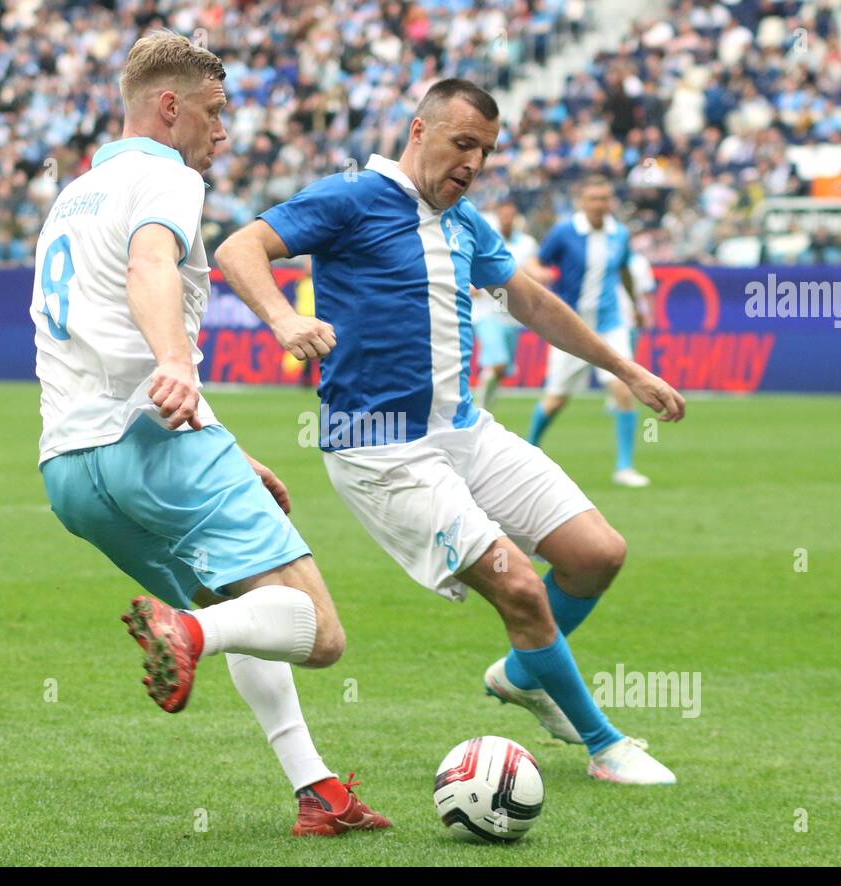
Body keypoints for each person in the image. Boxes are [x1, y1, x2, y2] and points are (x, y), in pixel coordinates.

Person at [217, 79, 686, 785]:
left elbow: (530, 299)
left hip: (464, 431)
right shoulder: (352, 197)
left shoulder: (467, 221)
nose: (473, 162)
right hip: (381, 448)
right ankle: (605, 745)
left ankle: (526, 675)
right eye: (462, 142)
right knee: (521, 589)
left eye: (486, 151)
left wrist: (626, 367)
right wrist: (284, 318)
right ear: (418, 131)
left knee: (597, 553)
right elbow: (239, 247)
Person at [30, 32, 389, 836]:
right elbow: (150, 267)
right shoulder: (167, 176)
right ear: (169, 108)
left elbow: (93, 331)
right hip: (153, 440)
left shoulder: (74, 195)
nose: (222, 134)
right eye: (214, 114)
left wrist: (226, 446)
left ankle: (317, 791)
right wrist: (175, 367)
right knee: (315, 631)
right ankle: (185, 632)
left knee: (245, 603)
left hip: (70, 471)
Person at [528, 175, 655, 487]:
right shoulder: (565, 232)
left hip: (610, 323)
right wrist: (538, 273)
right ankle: (528, 451)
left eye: (605, 198)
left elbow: (623, 269)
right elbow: (536, 261)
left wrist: (636, 306)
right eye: (594, 198)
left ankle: (624, 466)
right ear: (582, 202)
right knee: (556, 400)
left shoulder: (619, 234)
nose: (601, 204)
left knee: (624, 388)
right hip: (570, 326)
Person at [472, 198, 550, 409]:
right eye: (503, 214)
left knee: (502, 369)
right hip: (486, 313)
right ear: (497, 215)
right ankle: (478, 405)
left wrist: (542, 275)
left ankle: (485, 403)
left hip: (511, 315)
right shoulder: (485, 238)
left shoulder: (526, 243)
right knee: (498, 363)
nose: (507, 218)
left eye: (510, 214)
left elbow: (532, 267)